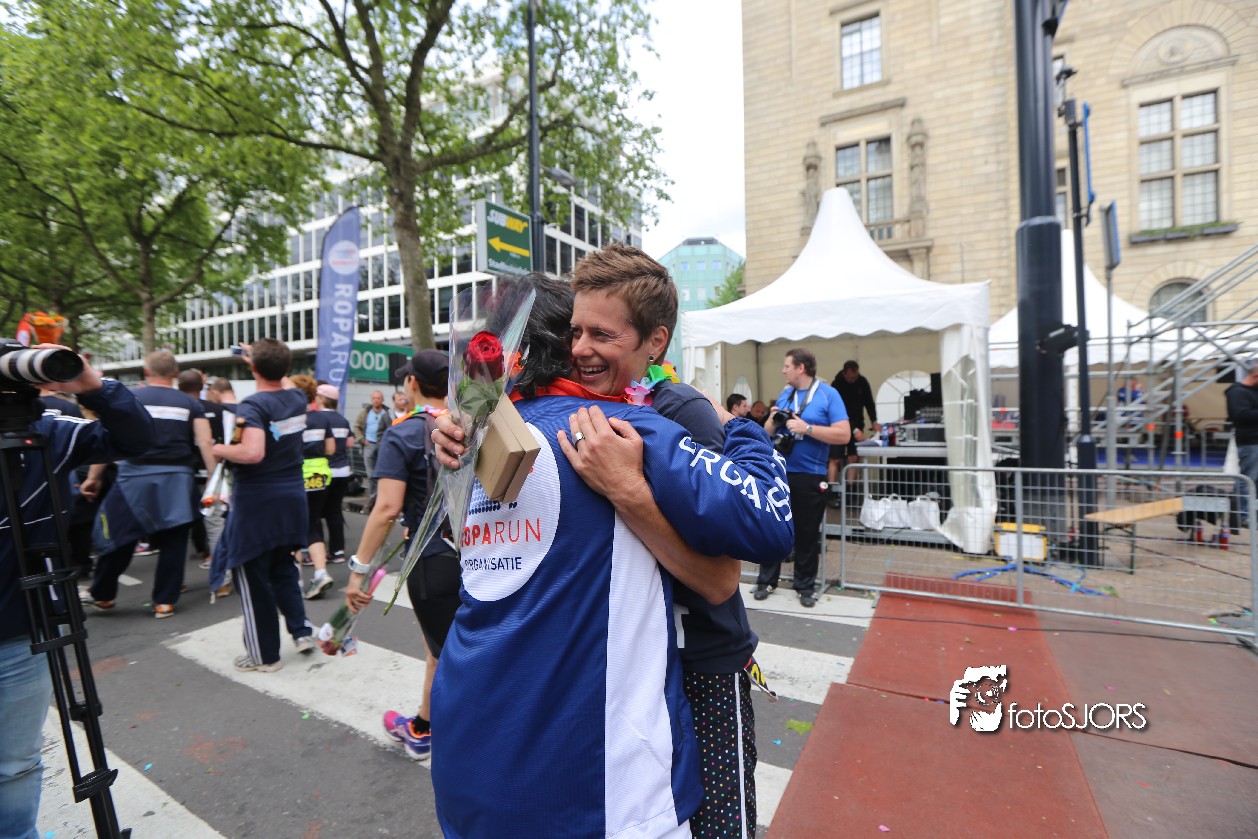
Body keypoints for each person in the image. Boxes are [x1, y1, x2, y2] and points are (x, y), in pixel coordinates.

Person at [434, 249, 786, 837]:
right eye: (575, 332)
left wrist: (630, 491)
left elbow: (722, 578)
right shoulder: (528, 430)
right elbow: (767, 525)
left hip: (685, 662)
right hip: (599, 750)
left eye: (601, 334)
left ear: (655, 342)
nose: (583, 348)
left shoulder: (667, 411)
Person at [0, 351, 153, 838]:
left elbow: (137, 439)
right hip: (23, 627)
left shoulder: (47, 430)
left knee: (14, 766)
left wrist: (92, 384)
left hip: (20, 631)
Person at [343, 350, 457, 763]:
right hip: (480, 552)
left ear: (412, 383)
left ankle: (445, 736)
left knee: (448, 656)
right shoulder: (471, 423)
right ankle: (425, 725)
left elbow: (387, 508)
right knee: (444, 649)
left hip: (432, 557)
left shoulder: (404, 432)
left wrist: (358, 572)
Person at [82, 351, 216, 619]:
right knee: (174, 541)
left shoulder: (129, 398)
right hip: (177, 480)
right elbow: (204, 442)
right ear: (175, 374)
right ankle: (164, 601)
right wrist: (213, 480)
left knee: (119, 536)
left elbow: (106, 439)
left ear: (146, 372)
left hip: (133, 477)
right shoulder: (190, 403)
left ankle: (104, 594)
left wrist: (93, 477)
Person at [210, 339, 315, 671]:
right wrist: (260, 360)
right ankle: (301, 632)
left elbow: (253, 452)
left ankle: (263, 656)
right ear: (287, 368)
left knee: (253, 577)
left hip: (257, 503)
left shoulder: (252, 405)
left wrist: (218, 449)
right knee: (283, 568)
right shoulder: (296, 398)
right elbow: (282, 379)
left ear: (253, 369)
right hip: (291, 500)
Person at [755, 348, 850, 607]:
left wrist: (806, 428)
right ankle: (766, 581)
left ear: (801, 368)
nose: (783, 370)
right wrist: (773, 419)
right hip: (779, 471)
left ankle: (804, 586)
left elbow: (844, 434)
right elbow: (767, 431)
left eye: (787, 366)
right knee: (772, 526)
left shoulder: (828, 394)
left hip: (810, 474)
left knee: (807, 533)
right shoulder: (786, 394)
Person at [290, 375, 337, 600]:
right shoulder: (322, 418)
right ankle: (320, 573)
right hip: (320, 474)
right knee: (313, 524)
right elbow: (330, 449)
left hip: (296, 474)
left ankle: (295, 580)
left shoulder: (289, 418)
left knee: (293, 528)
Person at [315, 384, 354, 563]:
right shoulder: (342, 420)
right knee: (335, 511)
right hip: (342, 470)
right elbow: (350, 443)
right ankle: (337, 551)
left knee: (315, 513)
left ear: (322, 399)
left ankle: (317, 552)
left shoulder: (317, 418)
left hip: (322, 471)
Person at [829, 360, 880, 498]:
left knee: (853, 457)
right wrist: (855, 430)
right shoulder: (836, 385)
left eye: (855, 377)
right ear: (845, 373)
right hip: (837, 425)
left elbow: (869, 402)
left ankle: (850, 490)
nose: (853, 380)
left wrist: (874, 420)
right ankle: (832, 492)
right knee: (835, 458)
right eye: (851, 378)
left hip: (857, 423)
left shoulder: (862, 382)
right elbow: (839, 411)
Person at [1225, 364, 1258, 518]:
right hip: (1250, 442)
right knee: (1247, 479)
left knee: (1252, 480)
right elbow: (1241, 416)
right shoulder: (1237, 392)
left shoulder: (1253, 391)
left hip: (1253, 442)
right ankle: (1243, 515)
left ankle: (1251, 512)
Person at [354, 389, 390, 507]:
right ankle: (373, 497)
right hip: (368, 444)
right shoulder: (365, 412)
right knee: (370, 473)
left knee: (382, 472)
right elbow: (357, 426)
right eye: (374, 398)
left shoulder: (387, 413)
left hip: (382, 445)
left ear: (382, 400)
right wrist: (361, 439)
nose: (376, 400)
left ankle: (382, 497)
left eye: (378, 398)